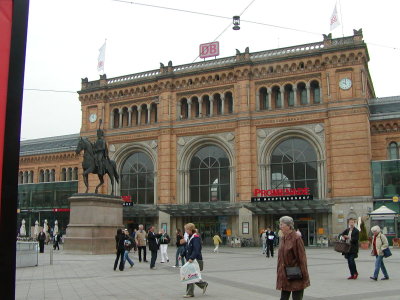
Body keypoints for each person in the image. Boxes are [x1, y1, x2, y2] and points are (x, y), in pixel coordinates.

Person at [276, 216, 310, 300]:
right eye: (280, 224)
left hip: (296, 275)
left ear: (289, 226)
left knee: (297, 298)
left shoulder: (296, 238)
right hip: (285, 275)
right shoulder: (283, 238)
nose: (280, 227)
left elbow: (302, 258)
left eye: (282, 224)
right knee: (283, 298)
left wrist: (305, 276)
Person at [183, 223, 208, 298]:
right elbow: (188, 248)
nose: (185, 231)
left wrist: (191, 258)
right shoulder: (190, 237)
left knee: (190, 276)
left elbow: (196, 249)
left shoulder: (195, 237)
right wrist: (182, 254)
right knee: (191, 275)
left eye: (186, 229)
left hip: (196, 260)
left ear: (190, 229)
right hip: (191, 260)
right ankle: (203, 285)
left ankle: (190, 293)